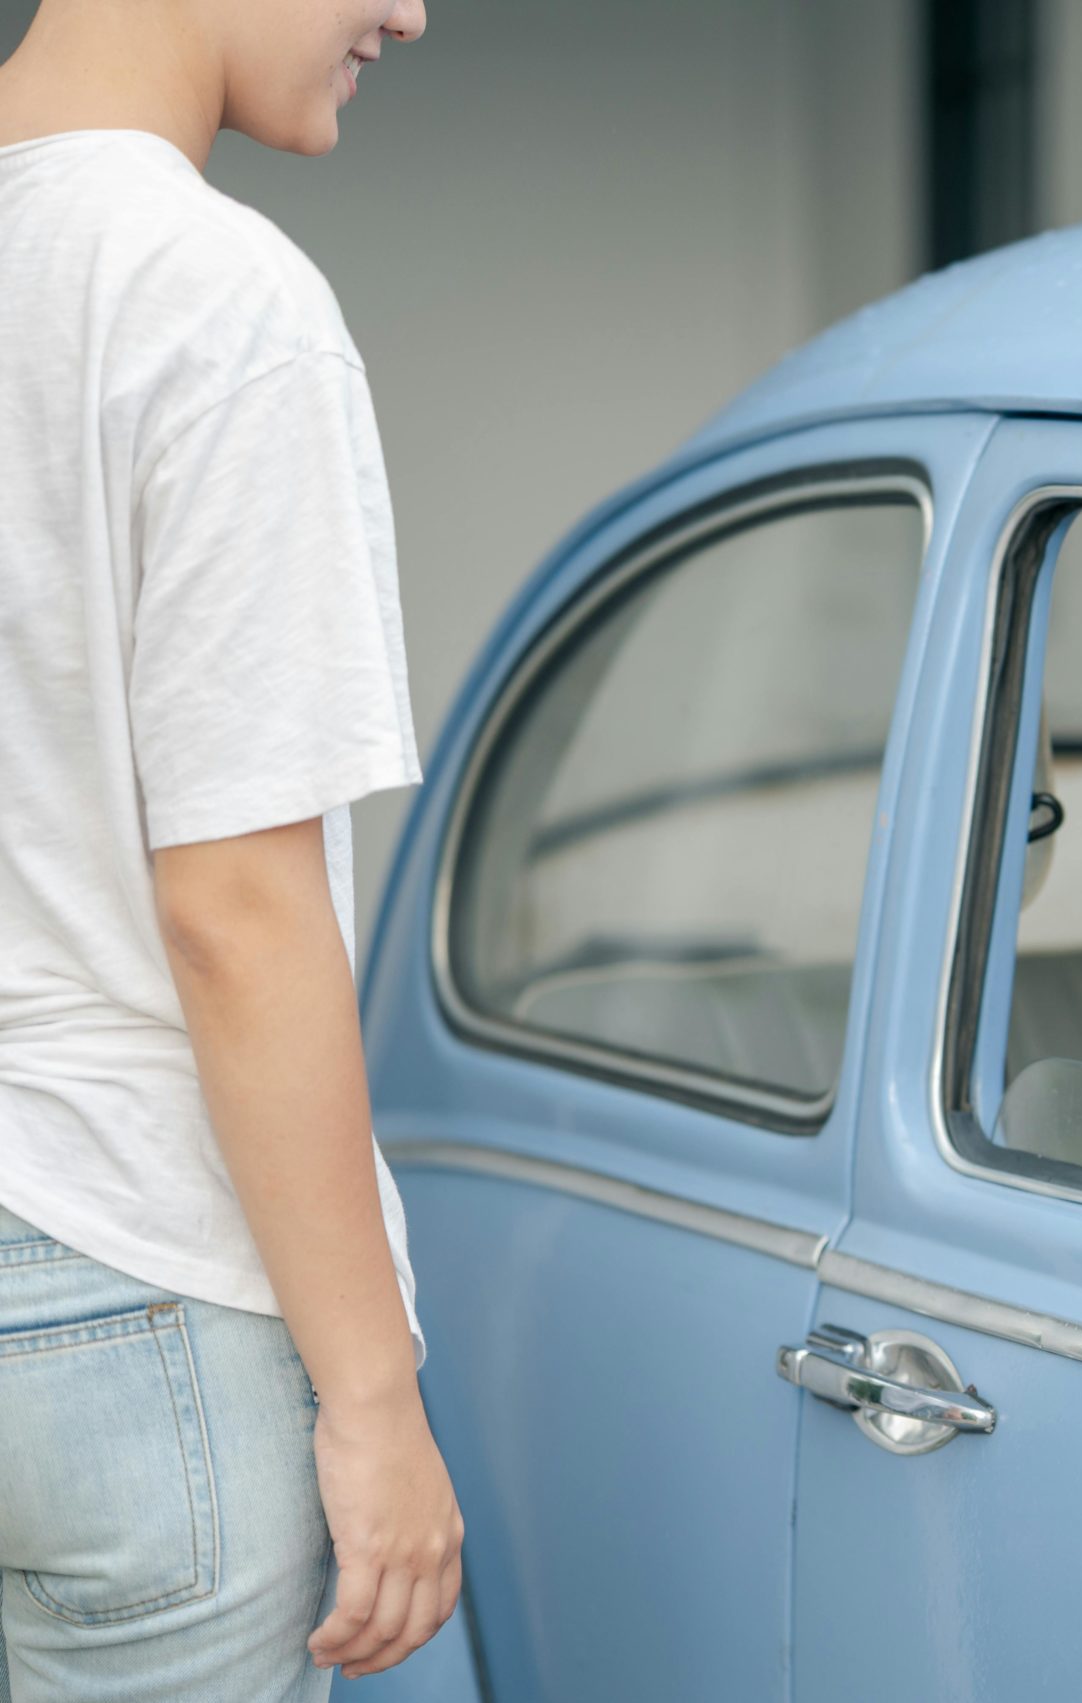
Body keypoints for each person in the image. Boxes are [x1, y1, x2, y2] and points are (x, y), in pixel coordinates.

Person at [0, 1, 461, 1693]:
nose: (411, 11)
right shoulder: (208, 293)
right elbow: (236, 908)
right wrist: (375, 1397)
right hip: (131, 1272)